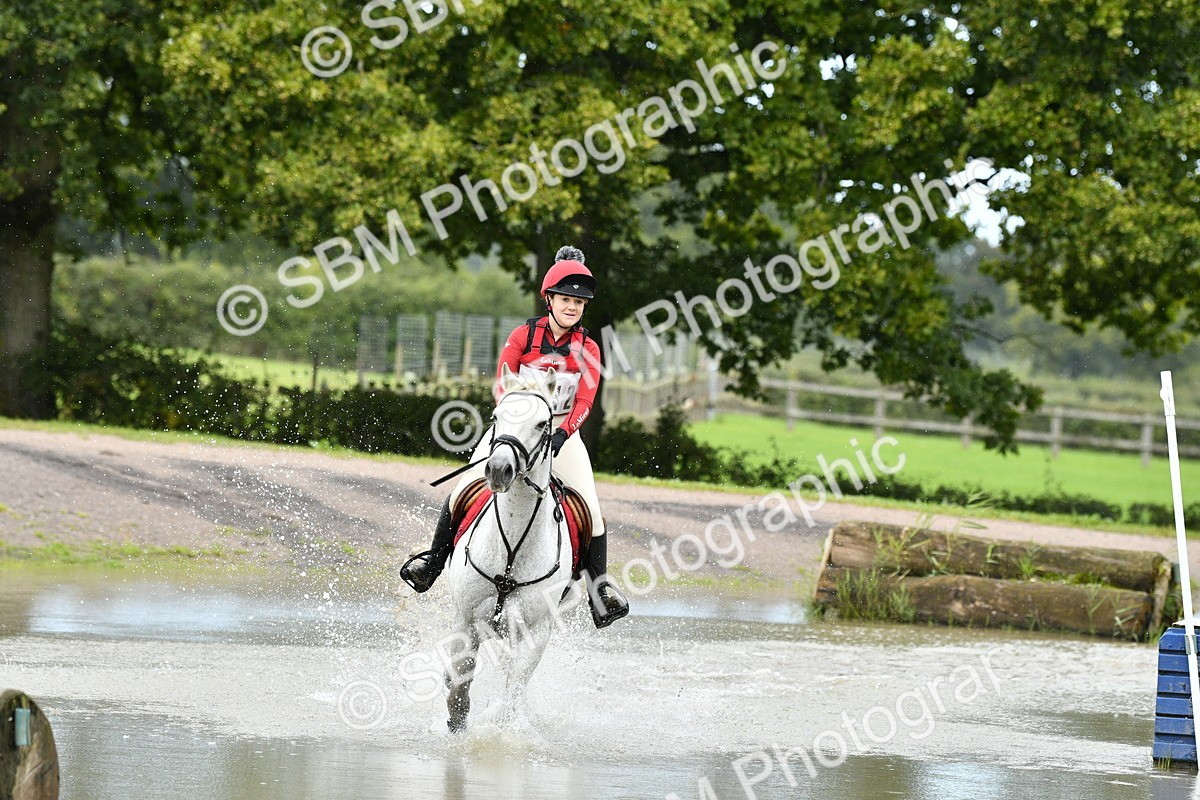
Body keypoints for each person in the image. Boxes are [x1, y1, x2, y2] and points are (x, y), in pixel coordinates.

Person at [400, 246, 630, 628]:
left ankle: (599, 591)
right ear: (549, 299)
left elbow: (586, 400)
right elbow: (501, 385)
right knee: (461, 490)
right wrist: (514, 425)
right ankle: (432, 563)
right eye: (566, 299)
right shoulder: (523, 335)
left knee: (591, 509)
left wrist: (563, 433)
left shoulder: (588, 347)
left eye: (579, 302)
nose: (572, 307)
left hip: (563, 433)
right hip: (516, 429)